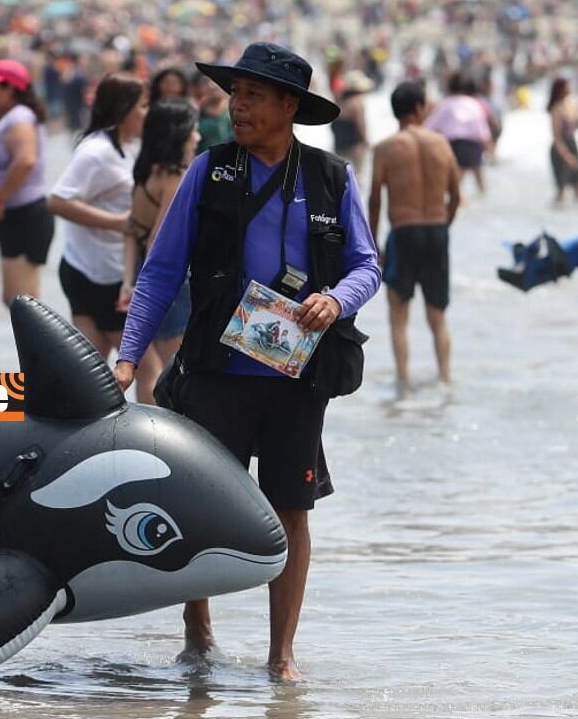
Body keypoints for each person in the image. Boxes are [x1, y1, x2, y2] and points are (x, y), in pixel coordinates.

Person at [114, 43, 380, 681]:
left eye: (253, 96)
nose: (238, 107)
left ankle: (281, 653)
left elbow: (368, 265)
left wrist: (335, 301)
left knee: (292, 511)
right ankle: (197, 624)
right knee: (201, 507)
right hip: (214, 375)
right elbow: (158, 274)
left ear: (290, 106)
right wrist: (127, 360)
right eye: (235, 94)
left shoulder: (332, 178)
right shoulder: (209, 172)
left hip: (297, 378)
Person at [369, 80, 461, 396]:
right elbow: (456, 196)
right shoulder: (441, 144)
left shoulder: (383, 149)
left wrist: (373, 244)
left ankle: (403, 381)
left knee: (398, 315)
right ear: (420, 108)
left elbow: (375, 200)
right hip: (437, 231)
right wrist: (442, 226)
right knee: (437, 315)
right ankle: (445, 378)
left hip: (403, 233)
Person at [47, 73, 147, 358]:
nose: (146, 113)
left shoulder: (130, 146)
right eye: (142, 106)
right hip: (95, 273)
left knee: (93, 369)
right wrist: (118, 223)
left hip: (108, 268)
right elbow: (57, 200)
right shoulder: (96, 151)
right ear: (123, 109)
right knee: (145, 364)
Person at [120, 98, 200, 405]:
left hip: (143, 272)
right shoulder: (175, 177)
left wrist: (129, 282)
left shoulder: (146, 172)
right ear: (179, 133)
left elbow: (131, 231)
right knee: (178, 371)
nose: (198, 136)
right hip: (171, 281)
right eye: (193, 129)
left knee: (149, 373)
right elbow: (160, 241)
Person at [0, 59, 53, 305]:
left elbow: (25, 161)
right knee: (23, 302)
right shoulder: (6, 118)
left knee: (21, 303)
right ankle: (35, 345)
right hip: (15, 216)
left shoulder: (19, 118)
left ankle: (40, 345)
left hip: (23, 215)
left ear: (11, 88)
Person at [424, 71, 491, 195]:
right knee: (478, 171)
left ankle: (458, 198)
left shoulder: (445, 104)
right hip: (474, 145)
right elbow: (482, 129)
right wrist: (488, 146)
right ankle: (483, 192)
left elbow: (430, 126)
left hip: (453, 145)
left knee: (456, 179)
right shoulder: (473, 103)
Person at [547, 76, 578, 206]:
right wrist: (566, 155)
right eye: (567, 86)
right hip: (561, 148)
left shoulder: (571, 104)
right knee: (561, 187)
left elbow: (577, 125)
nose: (570, 88)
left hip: (572, 144)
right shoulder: (556, 108)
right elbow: (556, 137)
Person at [330, 70, 372, 177]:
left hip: (339, 145)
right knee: (358, 175)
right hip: (355, 145)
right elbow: (360, 123)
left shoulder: (339, 100)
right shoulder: (358, 102)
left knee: (339, 177)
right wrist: (365, 139)